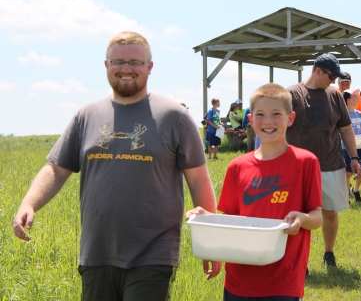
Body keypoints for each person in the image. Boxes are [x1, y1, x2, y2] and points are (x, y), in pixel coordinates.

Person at [12, 31, 221, 300]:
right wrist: (29, 203)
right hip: (96, 251)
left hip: (153, 252)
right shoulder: (86, 116)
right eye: (118, 61)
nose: (126, 69)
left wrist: (211, 242)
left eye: (135, 62)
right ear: (106, 65)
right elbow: (57, 168)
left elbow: (198, 179)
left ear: (150, 67)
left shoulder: (174, 116)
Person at [187, 83, 323, 300]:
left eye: (276, 114)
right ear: (250, 120)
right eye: (260, 114)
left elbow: (317, 218)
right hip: (239, 279)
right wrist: (207, 219)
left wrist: (303, 218)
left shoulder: (306, 162)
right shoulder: (238, 166)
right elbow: (231, 221)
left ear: (290, 118)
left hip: (283, 279)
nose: (268, 121)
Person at [286, 53, 360, 267]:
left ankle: (329, 253)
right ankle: (301, 261)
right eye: (331, 76)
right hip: (298, 167)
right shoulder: (292, 94)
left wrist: (354, 157)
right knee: (297, 216)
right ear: (318, 70)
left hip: (331, 164)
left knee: (329, 213)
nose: (334, 81)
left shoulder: (335, 95)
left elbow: (345, 128)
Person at [342, 88, 361, 202]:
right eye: (355, 96)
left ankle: (355, 190)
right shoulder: (342, 115)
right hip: (345, 147)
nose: (357, 98)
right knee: (347, 173)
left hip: (359, 147)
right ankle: (346, 197)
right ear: (348, 100)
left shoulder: (360, 114)